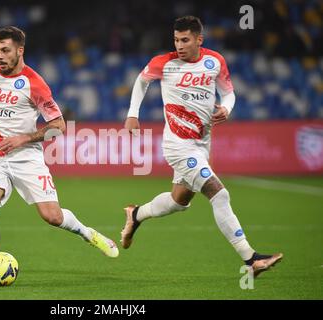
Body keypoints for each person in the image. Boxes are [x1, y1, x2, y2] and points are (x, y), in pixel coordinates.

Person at [120, 16, 282, 277]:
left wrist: (227, 108)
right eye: (176, 39)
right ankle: (250, 259)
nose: (180, 45)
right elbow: (141, 81)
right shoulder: (165, 63)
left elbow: (228, 92)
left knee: (178, 201)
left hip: (201, 144)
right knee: (220, 194)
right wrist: (132, 113)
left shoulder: (214, 62)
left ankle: (137, 214)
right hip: (178, 146)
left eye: (185, 40)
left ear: (199, 39)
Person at [0, 26, 118, 286]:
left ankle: (88, 233)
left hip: (26, 157)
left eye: (5, 50)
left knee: (53, 217)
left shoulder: (34, 83)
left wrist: (24, 138)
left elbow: (59, 126)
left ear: (20, 50)